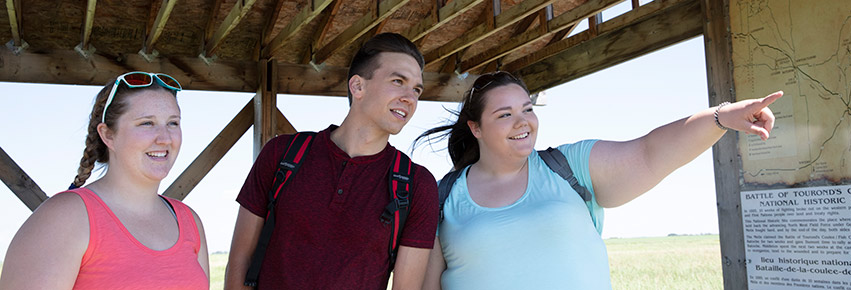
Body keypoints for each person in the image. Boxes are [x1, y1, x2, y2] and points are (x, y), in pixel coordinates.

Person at [417, 71, 782, 289]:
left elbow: (648, 153)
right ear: (475, 128)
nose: (522, 121)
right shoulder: (443, 195)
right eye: (505, 114)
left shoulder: (569, 166)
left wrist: (721, 118)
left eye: (527, 108)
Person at [224, 33, 439, 289]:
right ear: (358, 86)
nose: (410, 97)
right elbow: (240, 260)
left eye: (416, 89)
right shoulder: (283, 155)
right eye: (398, 81)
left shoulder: (416, 185)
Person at [0, 72, 210, 289]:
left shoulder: (189, 221)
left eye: (173, 123)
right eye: (147, 123)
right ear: (108, 135)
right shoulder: (65, 217)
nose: (165, 138)